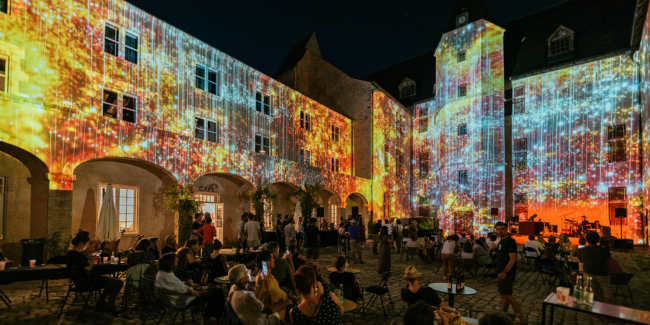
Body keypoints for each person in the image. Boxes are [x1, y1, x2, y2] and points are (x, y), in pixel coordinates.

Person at [66, 231, 123, 315]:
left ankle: (101, 302)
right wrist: (94, 259)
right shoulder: (78, 255)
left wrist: (88, 256)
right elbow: (88, 268)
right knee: (118, 283)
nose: (88, 246)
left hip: (79, 281)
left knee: (111, 282)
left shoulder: (70, 254)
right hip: (87, 282)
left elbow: (80, 263)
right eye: (87, 244)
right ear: (81, 243)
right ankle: (109, 305)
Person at [156, 252, 224, 323]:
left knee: (215, 291)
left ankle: (209, 315)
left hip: (181, 296)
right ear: (170, 263)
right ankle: (212, 317)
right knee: (218, 293)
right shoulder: (167, 277)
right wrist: (199, 292)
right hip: (185, 300)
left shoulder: (162, 273)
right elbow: (184, 291)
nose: (177, 261)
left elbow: (178, 286)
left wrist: (193, 287)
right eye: (176, 261)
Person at [495, 221, 526, 325]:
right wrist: (495, 250)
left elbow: (513, 259)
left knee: (508, 296)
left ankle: (522, 320)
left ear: (506, 229)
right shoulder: (501, 241)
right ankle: (503, 317)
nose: (500, 231)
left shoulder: (510, 241)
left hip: (507, 273)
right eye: (498, 229)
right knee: (504, 296)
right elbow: (503, 256)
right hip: (501, 272)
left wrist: (505, 272)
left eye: (502, 229)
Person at [255, 251, 295, 319]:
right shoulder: (265, 281)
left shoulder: (268, 275)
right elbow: (269, 308)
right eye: (272, 258)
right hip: (281, 310)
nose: (274, 259)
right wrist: (287, 302)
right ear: (268, 262)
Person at [577, 231, 613, 303]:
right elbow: (608, 259)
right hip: (603, 274)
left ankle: (592, 310)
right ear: (598, 240)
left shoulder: (581, 250)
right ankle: (605, 309)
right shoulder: (604, 250)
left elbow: (581, 260)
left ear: (586, 240)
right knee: (606, 293)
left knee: (589, 293)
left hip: (588, 273)